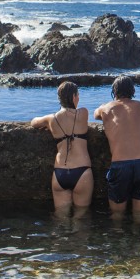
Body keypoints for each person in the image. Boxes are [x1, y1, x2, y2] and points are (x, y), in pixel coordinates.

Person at [94, 75, 140, 217]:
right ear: (132, 90)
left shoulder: (106, 108)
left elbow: (96, 115)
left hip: (120, 165)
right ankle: (137, 235)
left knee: (117, 215)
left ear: (114, 92)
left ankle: (118, 236)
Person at [30, 81, 94, 216]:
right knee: (81, 219)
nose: (79, 98)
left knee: (60, 219)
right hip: (82, 173)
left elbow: (33, 122)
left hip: (60, 173)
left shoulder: (51, 119)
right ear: (73, 97)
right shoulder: (83, 113)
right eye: (77, 95)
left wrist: (47, 123)